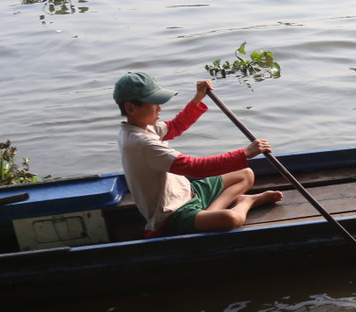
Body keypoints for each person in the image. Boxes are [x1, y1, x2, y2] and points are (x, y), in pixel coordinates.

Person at [114, 72, 283, 238]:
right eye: (154, 103)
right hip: (172, 214)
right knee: (231, 219)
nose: (160, 108)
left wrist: (198, 99)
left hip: (188, 192)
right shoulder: (139, 142)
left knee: (246, 174)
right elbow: (194, 167)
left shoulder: (144, 127)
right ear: (130, 108)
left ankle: (207, 214)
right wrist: (244, 153)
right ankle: (245, 202)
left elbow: (175, 126)